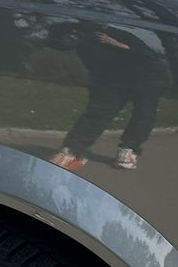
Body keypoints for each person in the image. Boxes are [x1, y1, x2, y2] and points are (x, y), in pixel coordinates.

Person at [51, 22, 167, 172]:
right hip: (114, 80)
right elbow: (95, 68)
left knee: (144, 113)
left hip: (146, 78)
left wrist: (118, 45)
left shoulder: (118, 34)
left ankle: (128, 149)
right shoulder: (82, 43)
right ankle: (72, 150)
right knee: (98, 113)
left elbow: (149, 55)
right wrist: (97, 90)